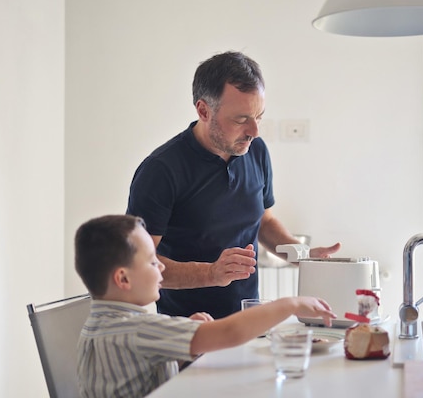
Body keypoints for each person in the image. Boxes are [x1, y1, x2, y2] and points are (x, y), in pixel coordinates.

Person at [126, 51, 341, 319]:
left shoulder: (255, 150)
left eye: (258, 117)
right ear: (204, 110)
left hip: (247, 323)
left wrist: (302, 255)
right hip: (187, 331)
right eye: (241, 120)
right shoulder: (160, 170)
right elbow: (138, 264)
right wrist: (211, 273)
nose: (254, 131)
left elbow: (263, 222)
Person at [74, 214, 336, 398]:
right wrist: (290, 304)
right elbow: (229, 333)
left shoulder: (99, 326)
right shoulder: (136, 329)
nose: (162, 266)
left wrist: (179, 343)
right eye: (153, 262)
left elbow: (133, 370)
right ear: (123, 279)